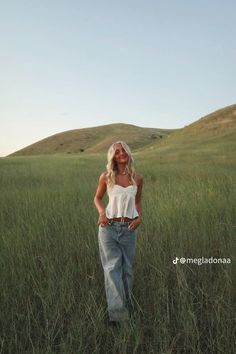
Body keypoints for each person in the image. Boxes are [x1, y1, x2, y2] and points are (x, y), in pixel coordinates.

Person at [94, 141, 143, 324]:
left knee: (127, 270)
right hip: (108, 228)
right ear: (112, 156)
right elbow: (97, 198)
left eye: (123, 150)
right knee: (112, 269)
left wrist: (139, 218)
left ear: (128, 153)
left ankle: (127, 307)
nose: (121, 154)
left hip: (129, 229)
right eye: (117, 151)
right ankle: (118, 317)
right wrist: (101, 213)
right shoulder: (106, 177)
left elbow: (137, 203)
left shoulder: (137, 178)